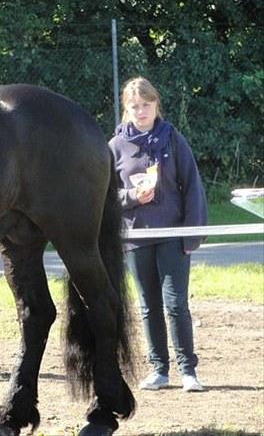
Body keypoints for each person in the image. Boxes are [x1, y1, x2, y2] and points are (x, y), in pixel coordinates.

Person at [109, 77, 207, 393]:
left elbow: (193, 187)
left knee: (176, 304)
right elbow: (106, 196)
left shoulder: (173, 139)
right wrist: (132, 197)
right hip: (135, 238)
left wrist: (192, 235)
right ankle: (159, 370)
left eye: (146, 105)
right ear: (127, 108)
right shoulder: (114, 147)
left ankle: (188, 371)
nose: (141, 112)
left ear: (156, 105)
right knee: (148, 305)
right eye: (134, 106)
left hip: (174, 236)